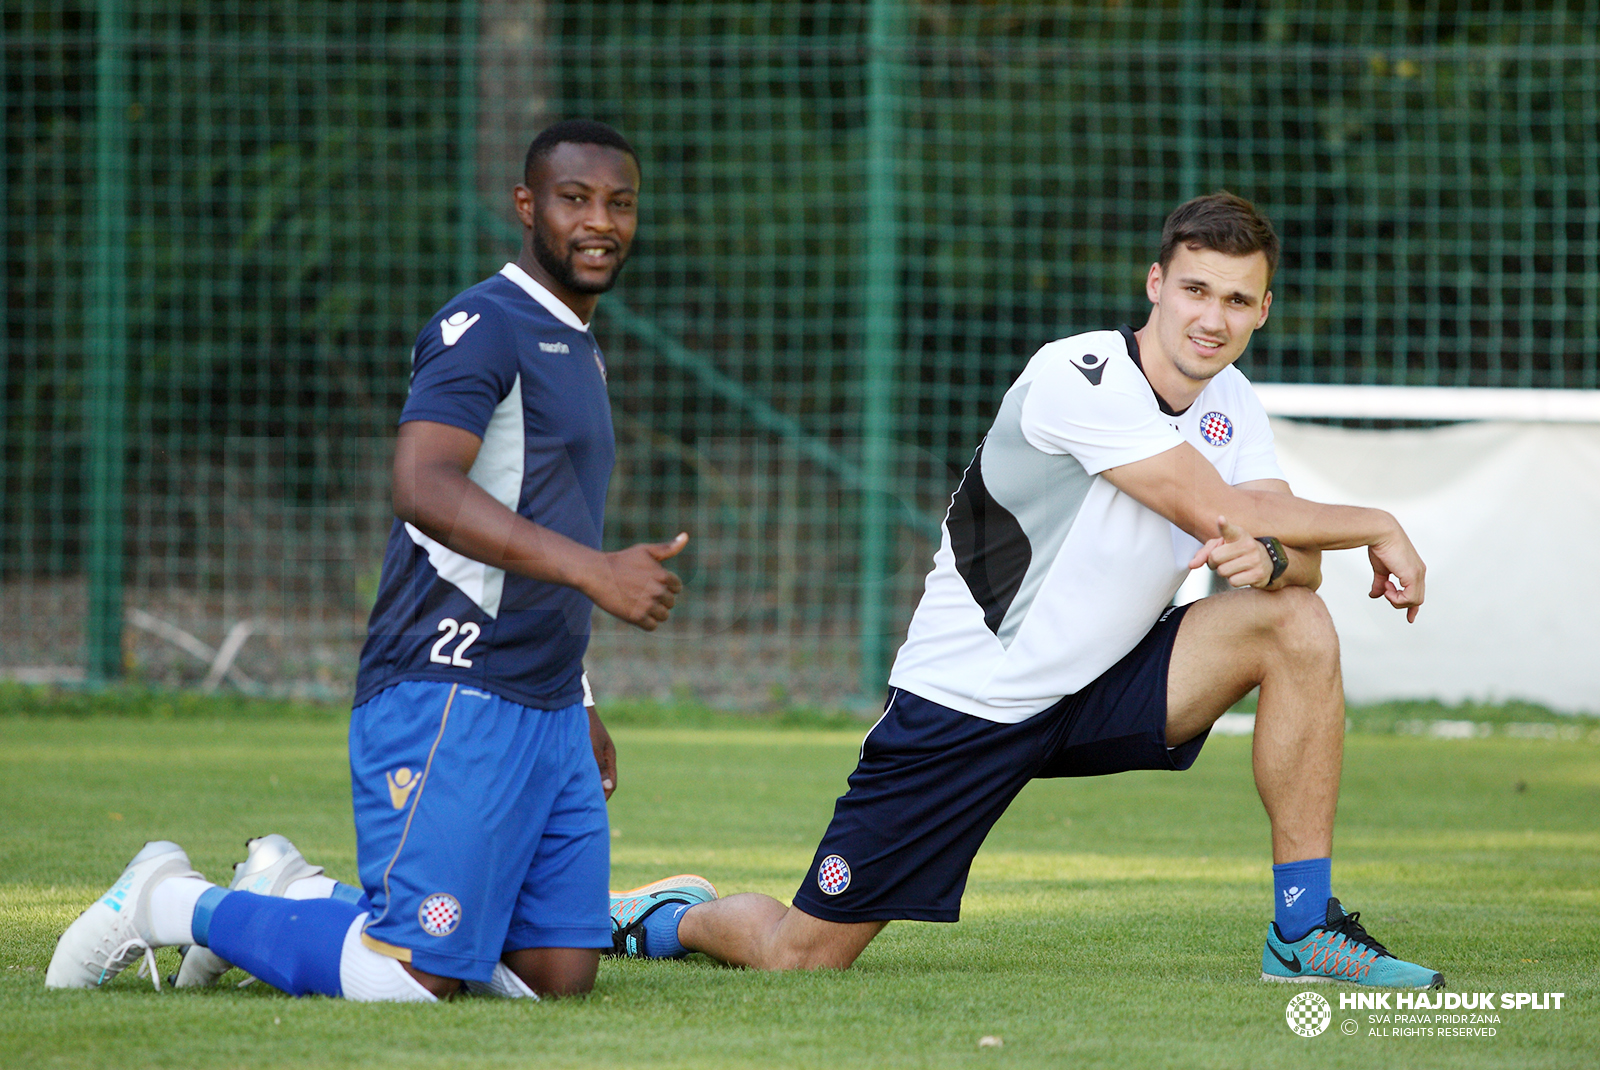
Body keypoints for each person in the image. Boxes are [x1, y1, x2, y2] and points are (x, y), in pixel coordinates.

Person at [606, 192, 1444, 988]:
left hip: (1103, 685)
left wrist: (1271, 558)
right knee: (802, 955)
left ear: (1263, 310)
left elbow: (1299, 562)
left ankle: (1301, 933)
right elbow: (1227, 507)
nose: (1211, 318)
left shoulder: (1233, 400)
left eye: (1236, 300)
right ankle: (669, 918)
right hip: (970, 701)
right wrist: (1378, 522)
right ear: (1156, 285)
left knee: (1296, 621)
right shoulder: (1078, 376)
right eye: (1195, 290)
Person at [46, 119, 715, 1002]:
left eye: (619, 203)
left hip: (544, 699)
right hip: (449, 682)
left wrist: (580, 694)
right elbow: (422, 485)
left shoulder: (579, 345)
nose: (600, 221)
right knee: (410, 984)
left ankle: (294, 894)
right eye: (575, 199)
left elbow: (535, 513)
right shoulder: (484, 324)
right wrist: (596, 571)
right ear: (526, 206)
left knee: (558, 977)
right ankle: (176, 902)